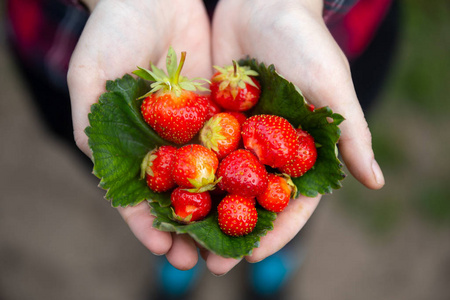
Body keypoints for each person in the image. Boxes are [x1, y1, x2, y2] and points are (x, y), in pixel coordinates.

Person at [6, 0, 397, 297]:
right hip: (81, 34)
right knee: (114, 171)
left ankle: (279, 255)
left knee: (308, 176)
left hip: (322, 30)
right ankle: (179, 247)